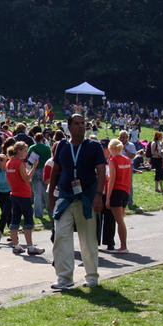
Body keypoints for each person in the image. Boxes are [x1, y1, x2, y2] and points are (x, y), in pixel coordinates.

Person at [48, 114, 106, 290]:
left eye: (83, 124)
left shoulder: (93, 146)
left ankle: (91, 276)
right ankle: (64, 277)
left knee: (88, 239)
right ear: (69, 127)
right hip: (65, 197)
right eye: (77, 124)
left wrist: (98, 195)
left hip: (87, 198)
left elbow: (102, 172)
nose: (81, 127)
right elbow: (55, 170)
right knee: (61, 236)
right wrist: (51, 194)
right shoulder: (62, 146)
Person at [5, 142, 44, 255]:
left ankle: (16, 246)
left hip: (14, 193)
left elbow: (9, 178)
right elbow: (27, 178)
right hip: (23, 194)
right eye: (25, 151)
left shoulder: (9, 162)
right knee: (28, 221)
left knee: (15, 220)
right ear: (19, 151)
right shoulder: (19, 163)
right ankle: (30, 247)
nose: (26, 153)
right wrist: (34, 167)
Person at [104, 139, 132, 253]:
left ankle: (123, 246)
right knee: (121, 219)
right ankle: (123, 244)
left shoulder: (113, 160)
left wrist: (108, 197)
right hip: (125, 190)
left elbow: (112, 180)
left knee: (119, 220)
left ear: (111, 149)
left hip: (116, 191)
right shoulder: (127, 160)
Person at [28, 132, 52, 220]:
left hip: (35, 170)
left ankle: (38, 213)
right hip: (45, 170)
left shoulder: (32, 148)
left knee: (37, 193)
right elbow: (49, 160)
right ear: (43, 139)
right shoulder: (47, 148)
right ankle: (50, 210)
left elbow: (29, 161)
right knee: (47, 192)